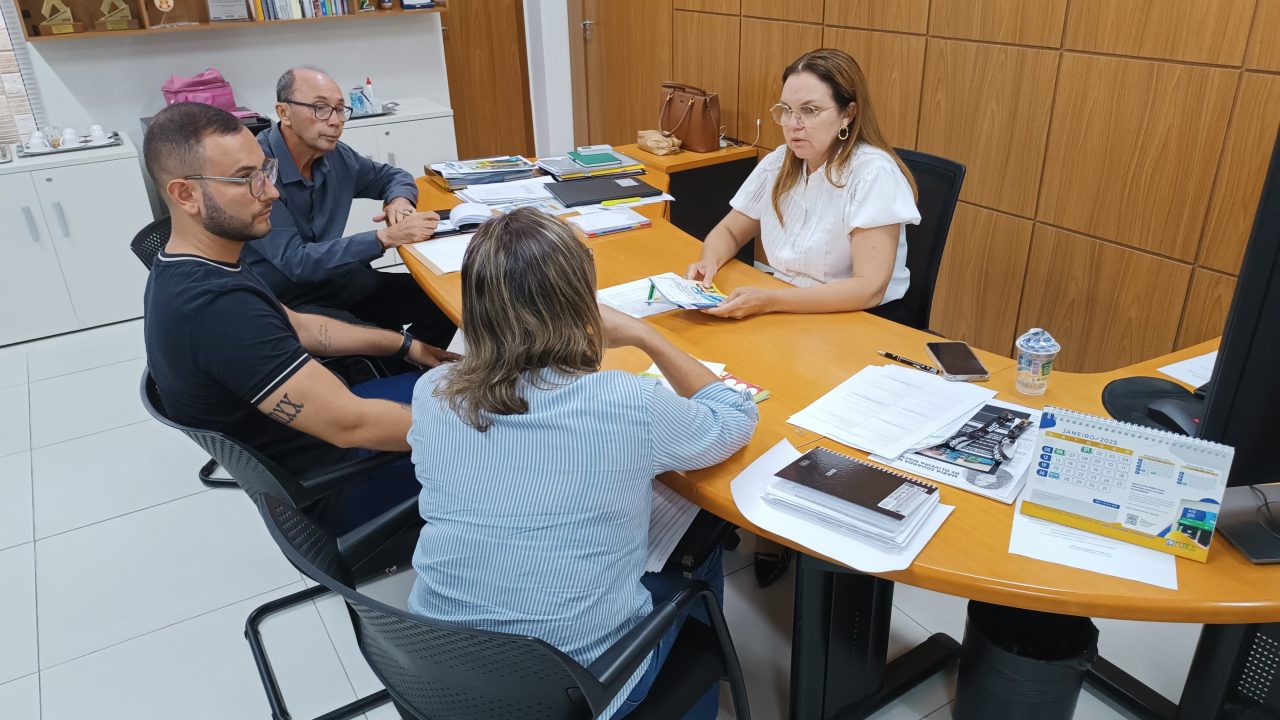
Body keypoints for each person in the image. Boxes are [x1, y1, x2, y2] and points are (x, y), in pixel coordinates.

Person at [406, 208, 759, 719]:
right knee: (700, 533)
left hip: (437, 672)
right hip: (572, 691)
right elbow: (734, 416)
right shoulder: (621, 401)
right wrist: (648, 335)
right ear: (581, 301)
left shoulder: (432, 391)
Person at [142, 102, 459, 534]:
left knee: (483, 393)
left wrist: (407, 346)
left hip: (323, 454)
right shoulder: (216, 308)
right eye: (244, 180)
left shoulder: (193, 262)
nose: (270, 192)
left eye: (265, 171)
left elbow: (303, 326)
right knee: (528, 442)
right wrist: (479, 434)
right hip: (339, 489)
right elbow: (351, 424)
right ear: (185, 194)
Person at [687, 48, 921, 587]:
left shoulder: (872, 173)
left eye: (810, 111)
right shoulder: (780, 162)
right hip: (783, 307)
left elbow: (868, 287)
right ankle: (728, 498)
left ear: (848, 114)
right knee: (721, 384)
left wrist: (768, 301)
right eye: (786, 110)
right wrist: (708, 260)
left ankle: (784, 524)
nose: (793, 125)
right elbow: (728, 231)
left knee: (779, 402)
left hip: (853, 322)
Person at [241, 66, 457, 351]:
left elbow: (393, 177)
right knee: (381, 343)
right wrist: (385, 238)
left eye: (340, 110)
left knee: (448, 301)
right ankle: (394, 373)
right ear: (284, 112)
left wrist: (399, 201)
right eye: (320, 108)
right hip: (289, 302)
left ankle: (407, 373)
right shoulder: (259, 171)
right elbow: (296, 263)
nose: (335, 121)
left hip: (337, 280)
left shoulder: (335, 156)